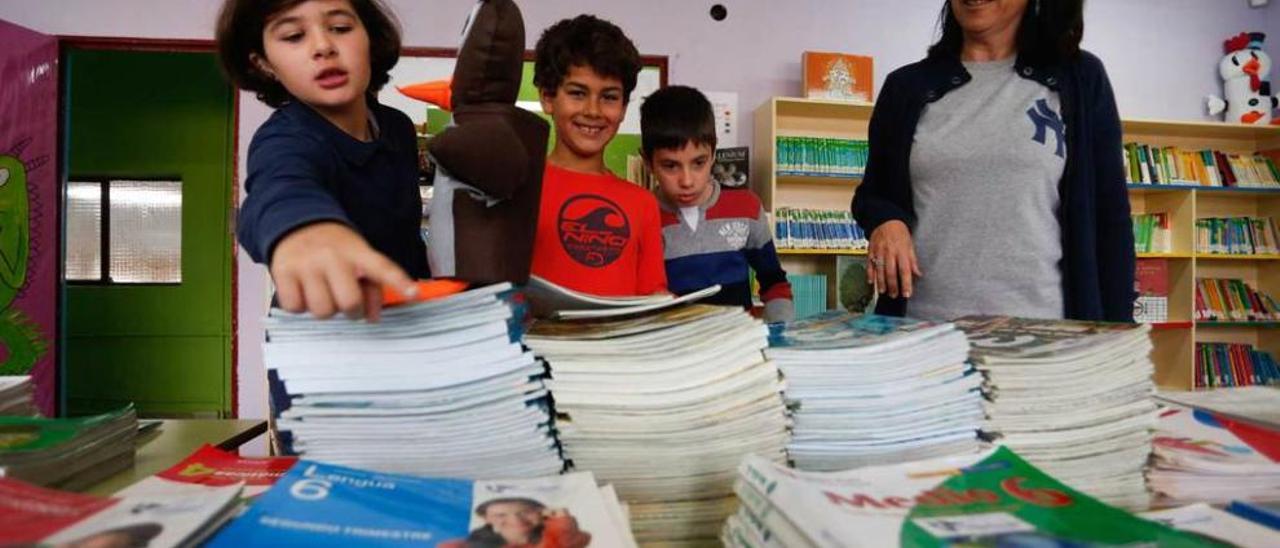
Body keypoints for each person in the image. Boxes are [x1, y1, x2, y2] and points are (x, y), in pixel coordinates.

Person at [851, 0, 1135, 322]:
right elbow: (874, 195)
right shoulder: (905, 87)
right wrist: (886, 221)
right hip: (922, 335)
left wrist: (1117, 337)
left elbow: (1110, 219)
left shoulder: (1080, 78)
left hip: (1045, 336)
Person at [217, 0, 423, 321]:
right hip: (325, 336)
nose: (323, 46)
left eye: (340, 28)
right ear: (264, 64)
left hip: (405, 320)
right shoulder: (285, 139)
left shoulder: (397, 127)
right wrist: (306, 228)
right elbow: (278, 188)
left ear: (370, 37)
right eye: (293, 35)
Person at [528, 15, 667, 296]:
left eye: (609, 97)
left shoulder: (643, 203)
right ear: (547, 98)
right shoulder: (518, 189)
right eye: (578, 93)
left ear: (624, 108)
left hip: (619, 340)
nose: (593, 111)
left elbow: (653, 294)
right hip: (538, 340)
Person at [641, 85, 795, 322]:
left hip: (737, 348)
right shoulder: (641, 215)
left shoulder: (747, 208)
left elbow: (775, 283)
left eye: (699, 163)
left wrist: (780, 332)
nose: (687, 180)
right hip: (675, 349)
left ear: (713, 154)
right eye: (670, 166)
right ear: (648, 163)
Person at [439, 497, 591, 548]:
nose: (515, 520)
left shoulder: (563, 534)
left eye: (525, 512)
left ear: (542, 513)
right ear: (487, 519)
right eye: (500, 515)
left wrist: (561, 519)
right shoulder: (460, 545)